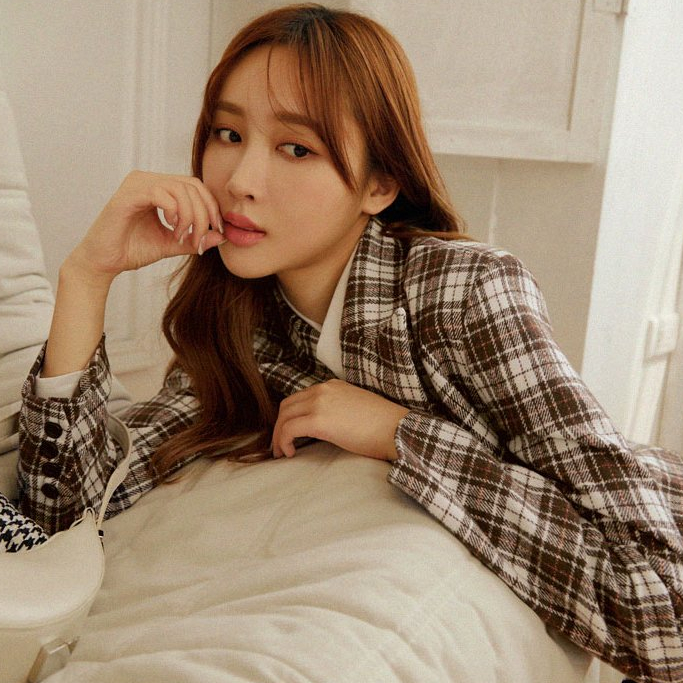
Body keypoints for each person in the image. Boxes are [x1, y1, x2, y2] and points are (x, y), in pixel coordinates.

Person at [8, 4, 682, 681]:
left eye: (296, 148)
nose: (239, 181)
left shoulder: (464, 293)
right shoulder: (241, 313)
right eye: (227, 133)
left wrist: (400, 435)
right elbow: (60, 513)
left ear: (379, 183)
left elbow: (658, 606)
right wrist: (87, 276)